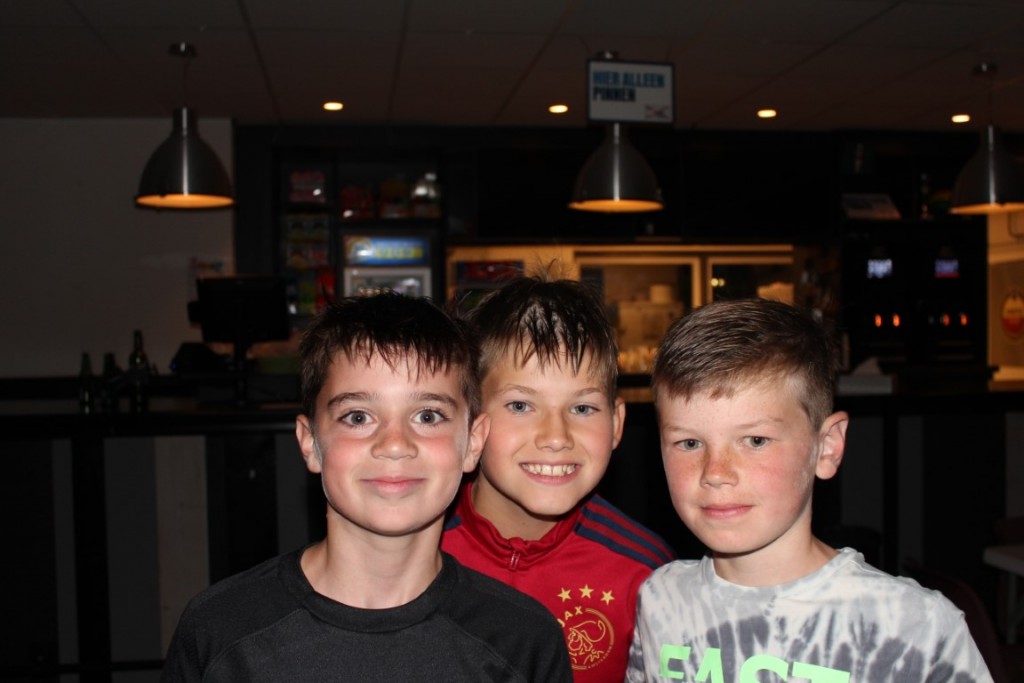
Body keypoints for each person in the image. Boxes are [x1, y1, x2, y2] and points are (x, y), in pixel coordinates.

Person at [162, 292, 573, 682]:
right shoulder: (218, 633)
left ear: (473, 443)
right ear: (310, 443)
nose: (394, 444)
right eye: (358, 417)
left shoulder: (524, 641)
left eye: (428, 416)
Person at [625, 298, 992, 682]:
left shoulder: (914, 628)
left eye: (755, 440)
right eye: (689, 443)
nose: (715, 473)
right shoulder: (659, 600)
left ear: (827, 447)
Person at [442, 274, 676, 683]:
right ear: (471, 422)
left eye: (582, 409)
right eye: (520, 405)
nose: (555, 437)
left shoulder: (647, 576)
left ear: (616, 424)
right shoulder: (413, 549)